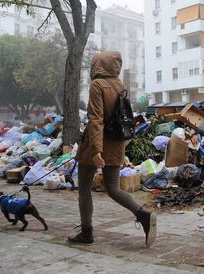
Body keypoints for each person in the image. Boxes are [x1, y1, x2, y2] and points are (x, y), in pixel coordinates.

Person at [68, 51, 157, 247]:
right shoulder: (120, 86)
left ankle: (86, 232)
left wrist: (96, 150)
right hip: (117, 142)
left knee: (84, 189)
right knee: (113, 188)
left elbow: (96, 119)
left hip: (96, 144)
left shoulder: (97, 85)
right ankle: (143, 215)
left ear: (98, 65)